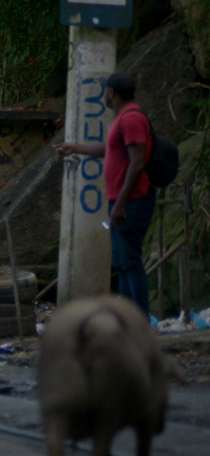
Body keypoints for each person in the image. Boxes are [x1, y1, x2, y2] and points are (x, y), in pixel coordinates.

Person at [54, 70, 155, 315]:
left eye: (105, 92)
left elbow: (138, 161)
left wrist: (120, 204)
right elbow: (107, 150)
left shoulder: (130, 119)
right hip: (122, 202)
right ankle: (127, 318)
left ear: (112, 93)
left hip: (131, 202)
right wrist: (75, 147)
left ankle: (139, 320)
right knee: (121, 263)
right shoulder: (123, 119)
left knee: (130, 262)